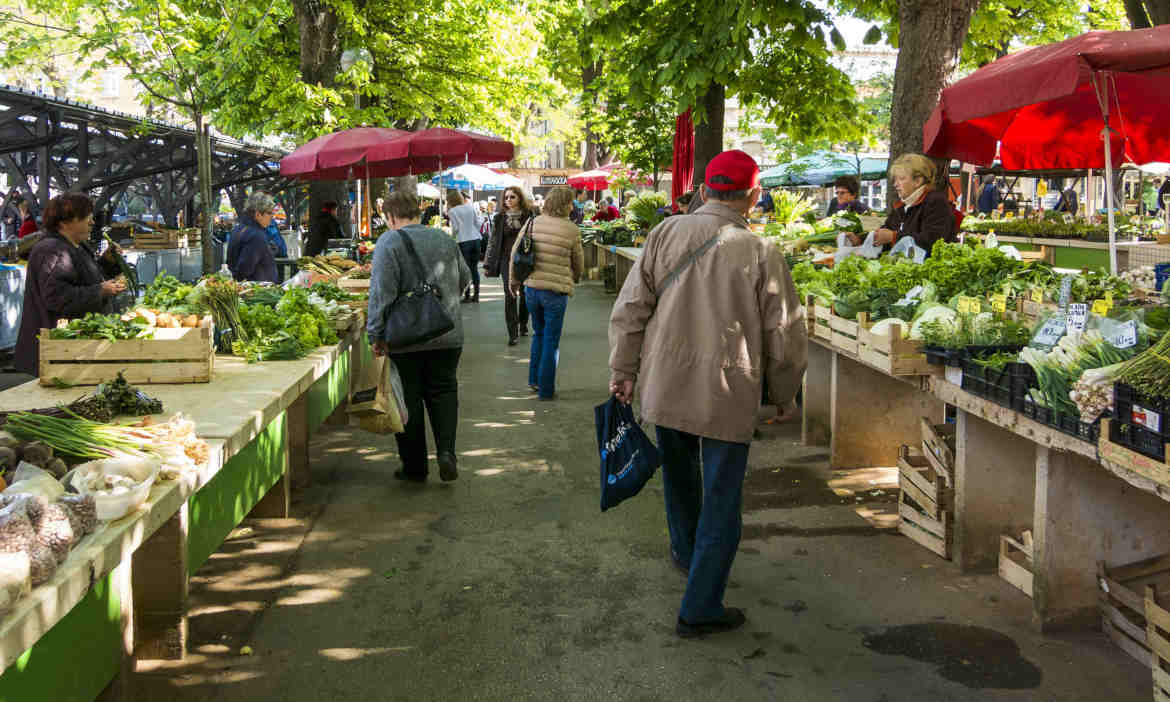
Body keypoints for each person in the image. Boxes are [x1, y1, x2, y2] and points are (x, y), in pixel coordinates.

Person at [608, 150, 807, 638]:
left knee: (679, 477)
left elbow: (631, 307)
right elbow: (785, 333)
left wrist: (623, 369)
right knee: (722, 496)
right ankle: (700, 604)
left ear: (702, 191)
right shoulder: (761, 251)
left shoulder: (664, 233)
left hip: (666, 380)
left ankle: (685, 551)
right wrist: (784, 394)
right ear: (754, 197)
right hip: (727, 389)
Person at [367, 190, 471, 484]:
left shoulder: (389, 242)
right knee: (444, 391)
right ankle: (447, 453)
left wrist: (374, 333)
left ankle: (414, 467)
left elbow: (381, 293)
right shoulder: (444, 238)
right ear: (418, 211)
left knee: (408, 398)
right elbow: (464, 277)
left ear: (390, 216)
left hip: (406, 336)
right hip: (448, 331)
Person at [14, 193, 126, 376]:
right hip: (58, 352)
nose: (92, 222)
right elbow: (57, 298)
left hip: (71, 350)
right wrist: (100, 291)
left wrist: (108, 262)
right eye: (86, 217)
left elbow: (86, 278)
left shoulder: (74, 246)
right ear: (65, 222)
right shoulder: (52, 250)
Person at [508, 186, 583, 400]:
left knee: (538, 335)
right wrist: (575, 277)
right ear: (566, 205)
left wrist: (513, 281)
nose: (572, 206)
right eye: (570, 202)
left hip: (532, 289)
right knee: (551, 339)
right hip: (555, 292)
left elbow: (515, 251)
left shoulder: (533, 223)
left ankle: (534, 380)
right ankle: (546, 389)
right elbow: (578, 262)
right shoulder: (571, 230)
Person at [863, 154, 956, 256]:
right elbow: (885, 231)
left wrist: (894, 237)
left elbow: (932, 241)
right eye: (895, 179)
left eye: (901, 179)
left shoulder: (936, 202)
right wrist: (859, 239)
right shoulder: (903, 206)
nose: (895, 184)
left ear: (918, 181)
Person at [485, 186, 534, 345]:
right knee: (510, 294)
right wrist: (488, 263)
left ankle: (523, 323)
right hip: (506, 261)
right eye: (506, 198)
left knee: (525, 294)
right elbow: (493, 241)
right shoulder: (500, 218)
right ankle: (512, 333)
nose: (508, 200)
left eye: (512, 197)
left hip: (525, 260)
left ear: (519, 198)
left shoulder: (529, 215)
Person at [227, 191, 279, 283]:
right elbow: (244, 269)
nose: (272, 216)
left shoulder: (239, 228)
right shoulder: (256, 235)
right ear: (258, 214)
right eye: (269, 212)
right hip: (256, 291)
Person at [446, 189, 483, 303]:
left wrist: (451, 237)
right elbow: (478, 223)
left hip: (463, 241)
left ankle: (467, 295)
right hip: (476, 239)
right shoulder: (470, 207)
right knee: (474, 268)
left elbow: (456, 228)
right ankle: (476, 295)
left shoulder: (452, 211)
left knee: (464, 270)